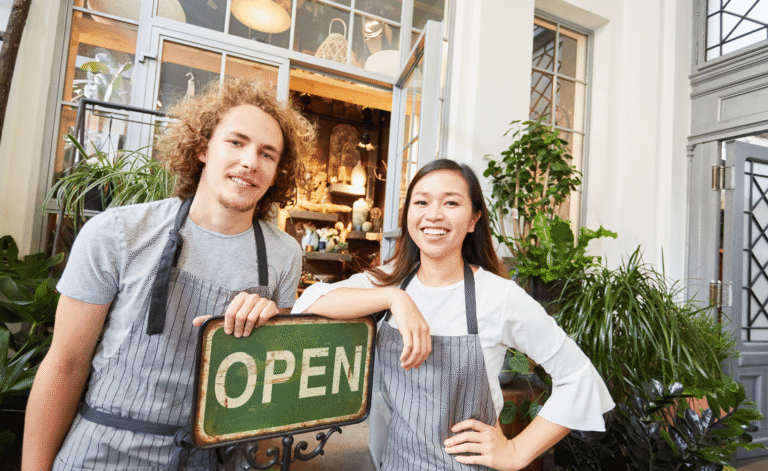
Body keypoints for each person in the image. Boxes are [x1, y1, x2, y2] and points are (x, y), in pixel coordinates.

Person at [22, 78, 316, 471]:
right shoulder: (118, 233)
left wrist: (273, 328)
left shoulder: (284, 254)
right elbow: (65, 365)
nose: (250, 161)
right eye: (236, 142)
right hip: (106, 453)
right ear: (202, 148)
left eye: (267, 154)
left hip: (215, 458)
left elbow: (271, 382)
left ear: (278, 171)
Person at [288, 159, 615, 470]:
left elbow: (580, 377)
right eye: (421, 203)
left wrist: (517, 451)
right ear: (408, 215)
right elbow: (312, 302)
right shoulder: (388, 281)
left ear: (474, 219)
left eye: (451, 203)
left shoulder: (498, 296)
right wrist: (394, 298)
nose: (434, 215)